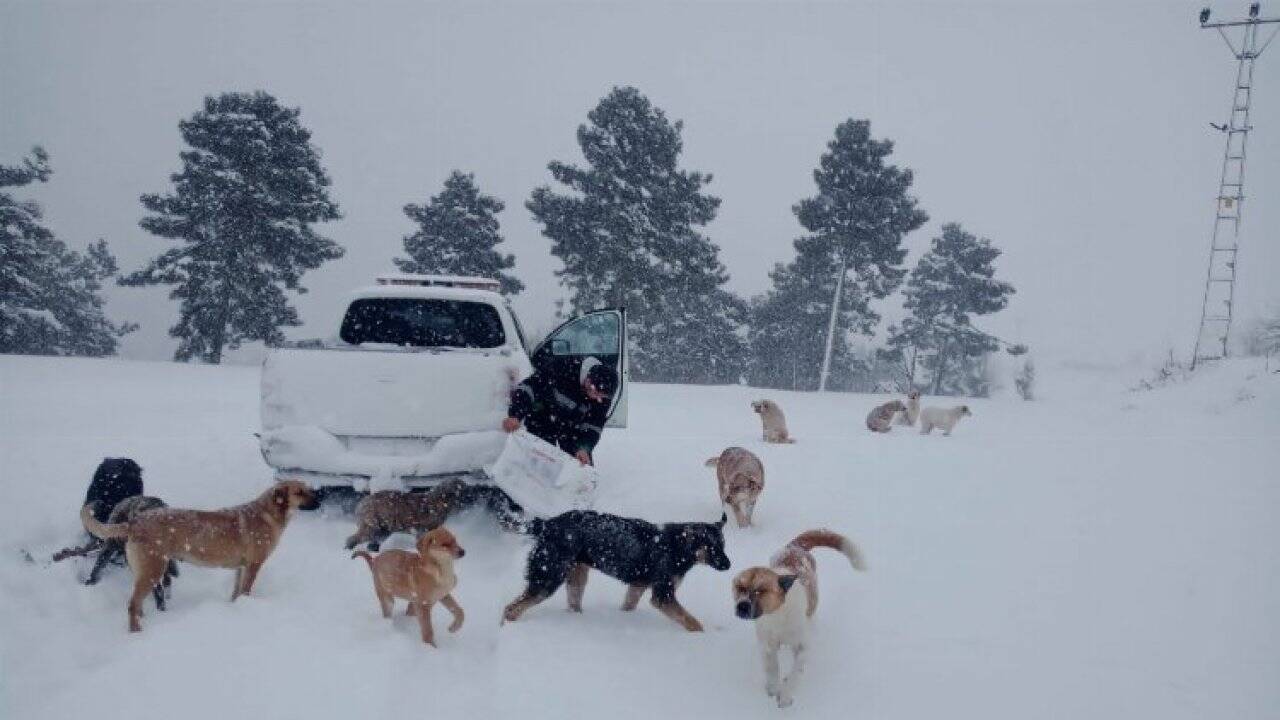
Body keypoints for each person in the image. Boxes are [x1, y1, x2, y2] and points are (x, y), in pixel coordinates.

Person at [502, 357, 618, 465]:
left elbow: (594, 426)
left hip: (572, 427)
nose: (598, 398)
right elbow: (528, 388)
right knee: (541, 461)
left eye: (602, 396)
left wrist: (584, 448)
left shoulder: (602, 399)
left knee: (581, 467)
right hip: (542, 417)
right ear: (589, 380)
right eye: (596, 393)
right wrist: (515, 415)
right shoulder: (563, 368)